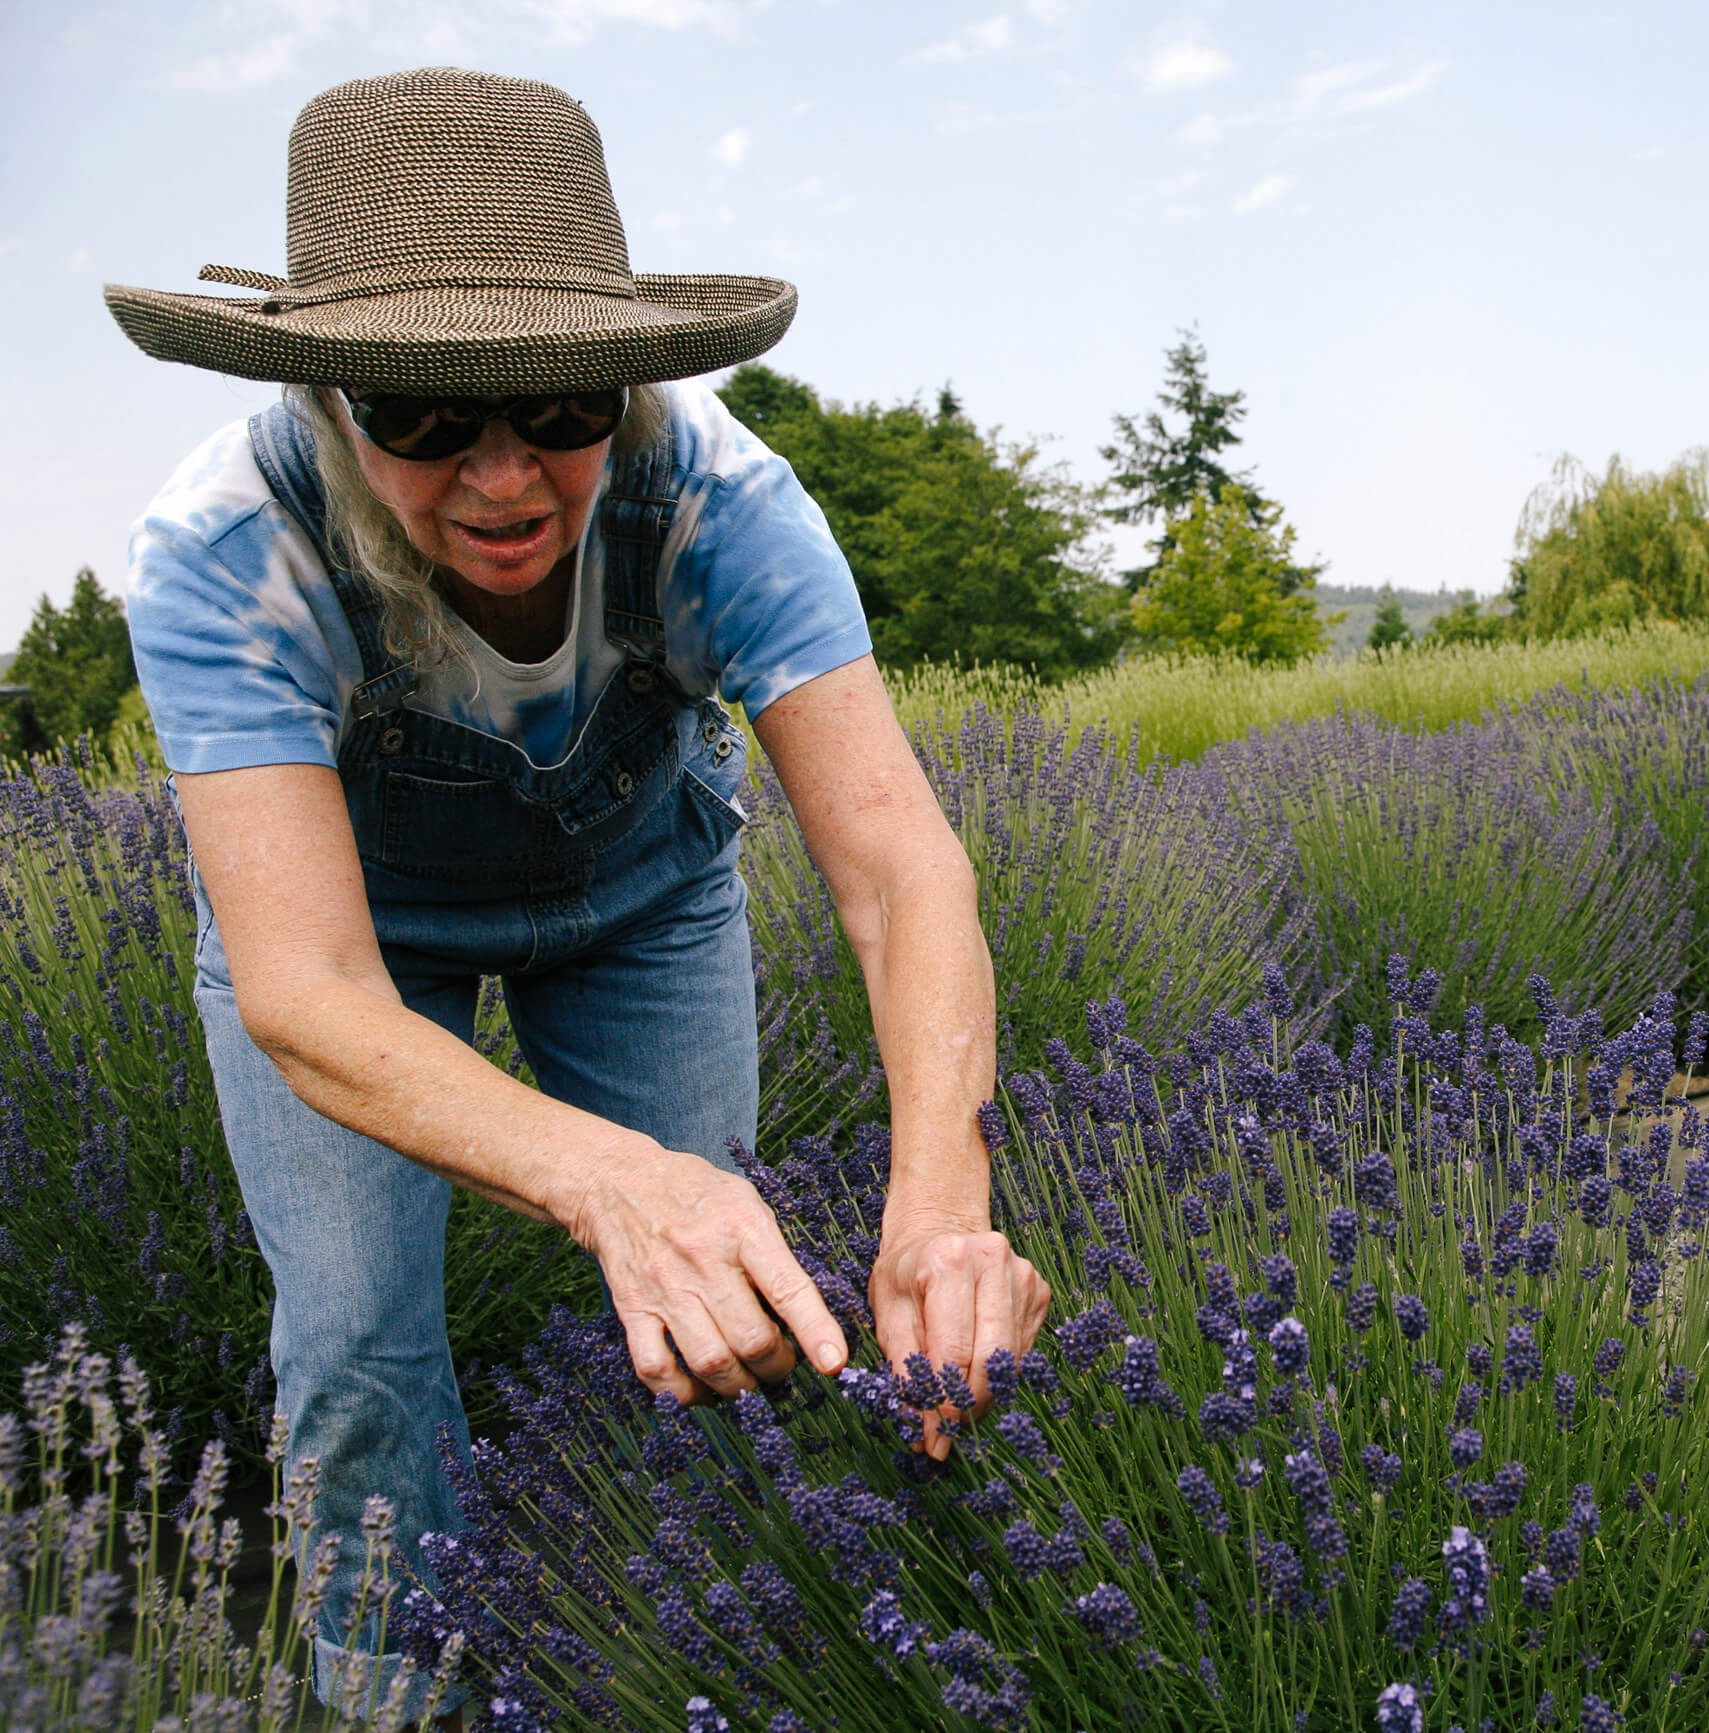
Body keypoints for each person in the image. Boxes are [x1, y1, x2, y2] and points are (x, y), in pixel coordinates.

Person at [104, 66, 1052, 1720]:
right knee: (355, 1353)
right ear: (327, 396)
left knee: (730, 1320)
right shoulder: (221, 551)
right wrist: (613, 1182)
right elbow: (303, 988)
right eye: (424, 421)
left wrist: (942, 1209)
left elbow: (904, 873)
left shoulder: (722, 501)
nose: (506, 478)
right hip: (358, 951)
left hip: (641, 905)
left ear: (625, 381)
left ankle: (688, 1660)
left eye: (561, 409)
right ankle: (396, 1693)